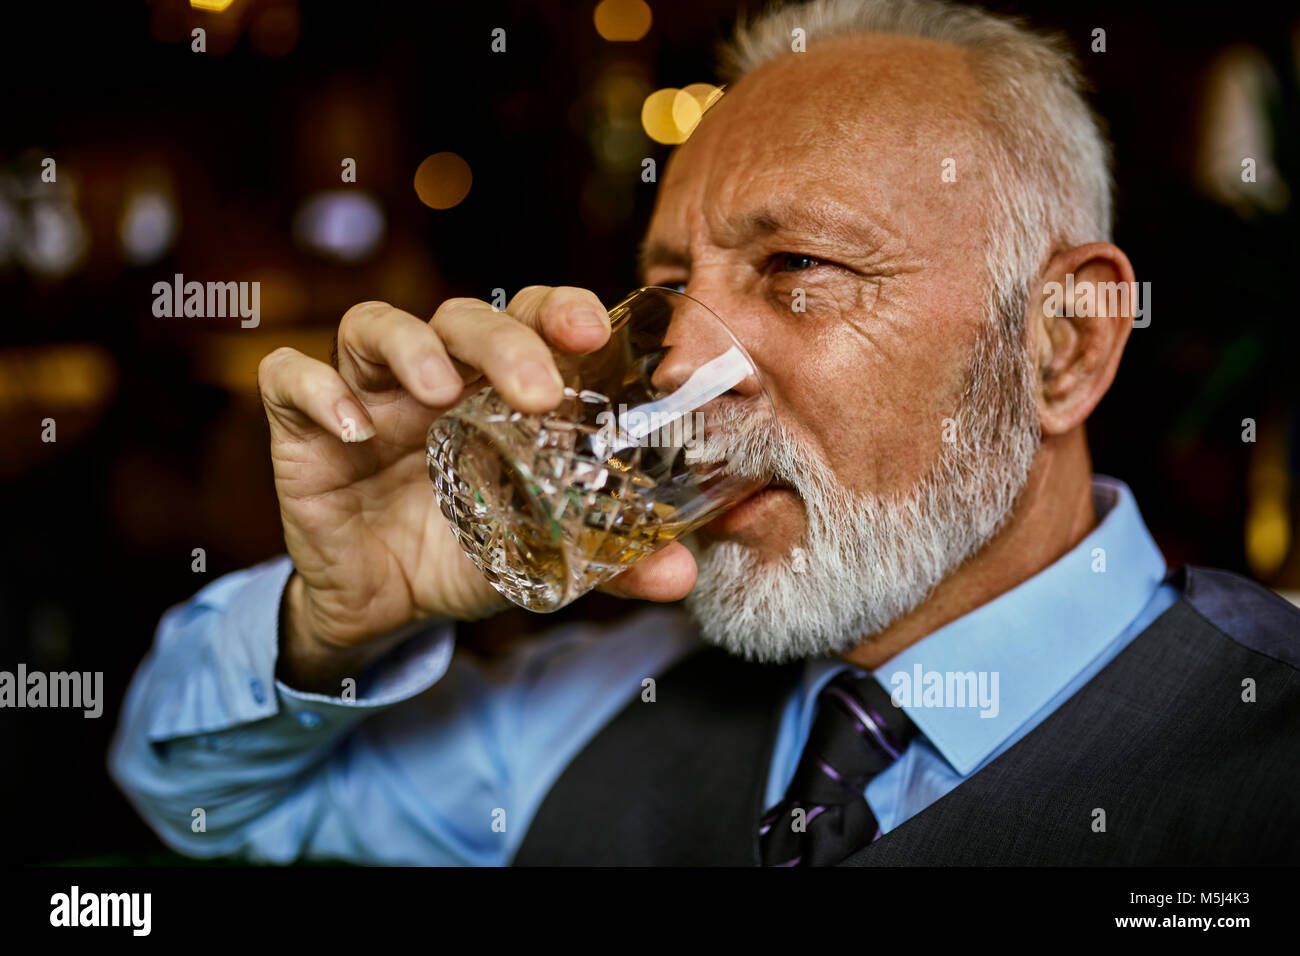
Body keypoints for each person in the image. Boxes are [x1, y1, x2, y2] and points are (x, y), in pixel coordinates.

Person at [108, 0, 1300, 865]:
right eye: (667, 288)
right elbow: (206, 807)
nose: (672, 362)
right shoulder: (589, 703)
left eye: (797, 267)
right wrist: (337, 622)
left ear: (1064, 341)